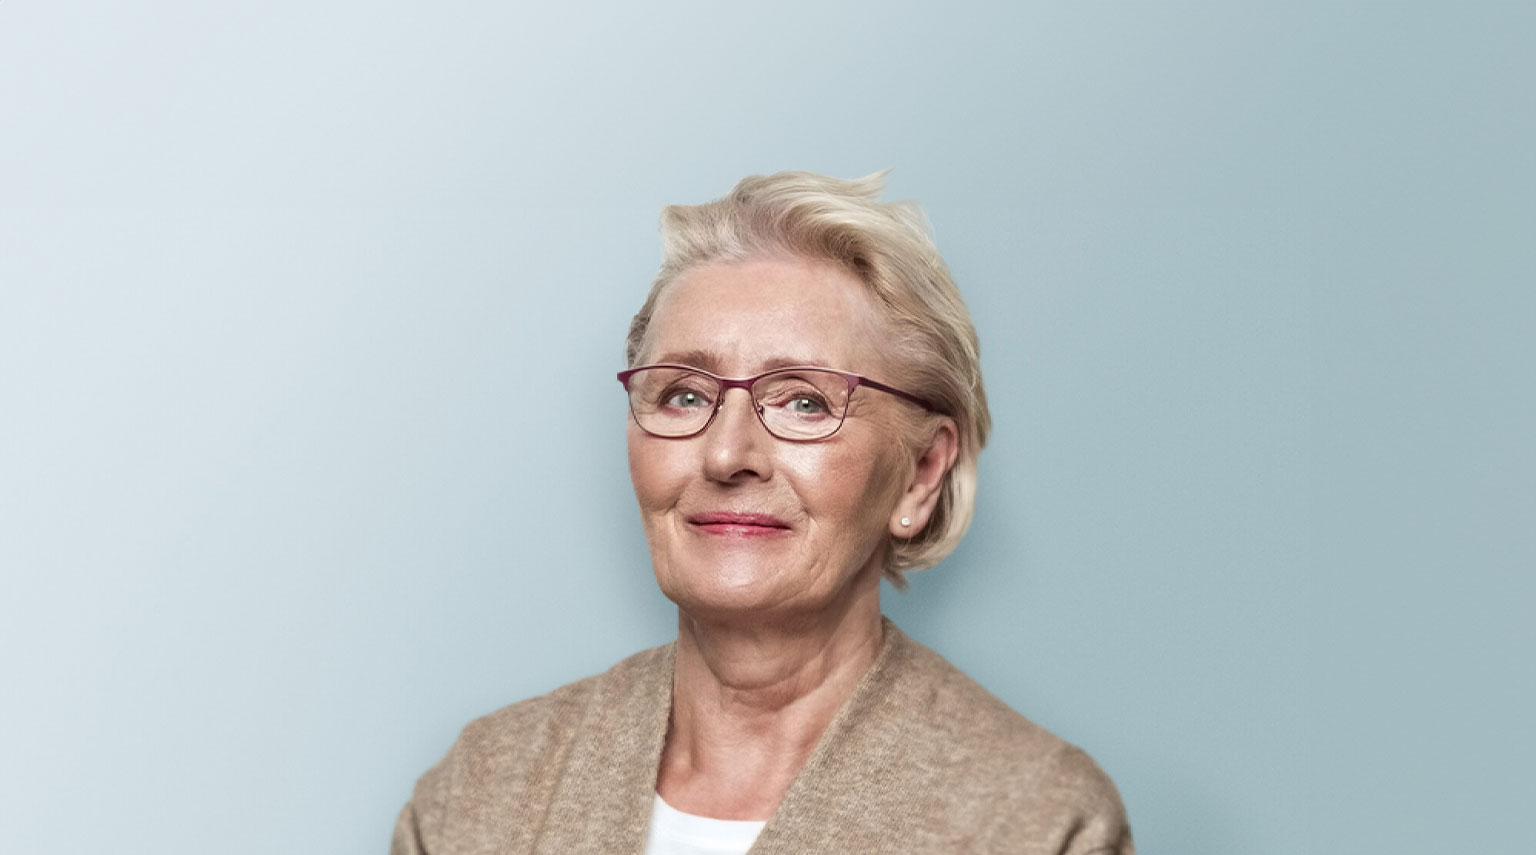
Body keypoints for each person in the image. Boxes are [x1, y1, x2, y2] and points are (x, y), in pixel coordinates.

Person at [391, 171, 1133, 855]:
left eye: (804, 401)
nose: (725, 455)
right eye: (682, 393)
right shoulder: (477, 796)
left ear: (921, 472)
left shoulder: (1035, 821)